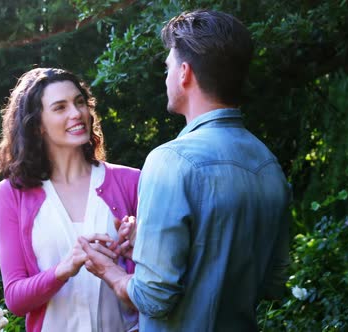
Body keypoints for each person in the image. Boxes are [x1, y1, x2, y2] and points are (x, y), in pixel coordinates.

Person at [79, 9, 292, 331]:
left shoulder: (171, 161)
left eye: (167, 68)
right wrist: (150, 246)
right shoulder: (269, 165)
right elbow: (274, 283)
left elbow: (153, 299)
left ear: (184, 73)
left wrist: (108, 269)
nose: (165, 78)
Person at [0, 67, 140, 332]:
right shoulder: (11, 193)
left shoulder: (131, 182)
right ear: (37, 125)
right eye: (60, 107)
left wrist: (139, 247)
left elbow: (157, 284)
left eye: (80, 102)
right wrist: (66, 267)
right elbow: (15, 298)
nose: (76, 113)